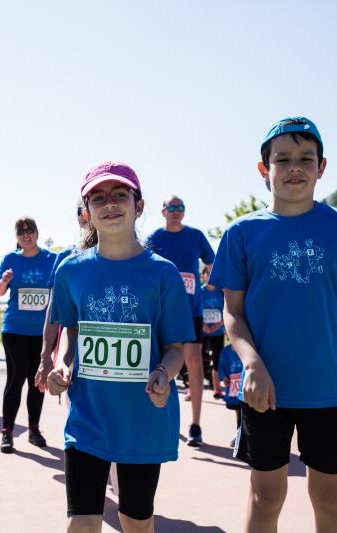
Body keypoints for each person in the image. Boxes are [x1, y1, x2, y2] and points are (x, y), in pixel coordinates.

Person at [210, 116, 337, 533]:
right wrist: (252, 364)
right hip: (264, 391)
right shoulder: (242, 232)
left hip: (328, 390)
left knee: (330, 498)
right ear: (263, 169)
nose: (295, 168)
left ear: (322, 167)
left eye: (306, 158)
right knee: (266, 497)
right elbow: (232, 312)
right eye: (282, 159)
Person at [47, 161, 194, 532]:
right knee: (81, 522)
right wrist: (62, 363)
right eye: (98, 197)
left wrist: (164, 373)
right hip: (88, 416)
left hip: (142, 419)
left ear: (138, 206)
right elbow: (71, 329)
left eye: (119, 195)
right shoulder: (71, 270)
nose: (109, 203)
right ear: (87, 212)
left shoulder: (163, 273)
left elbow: (175, 348)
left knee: (136, 520)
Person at [145, 195, 215, 446]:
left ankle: (195, 425)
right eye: (171, 207)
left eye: (180, 208)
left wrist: (209, 285)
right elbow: (143, 267)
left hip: (191, 311)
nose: (176, 211)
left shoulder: (196, 236)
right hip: (162, 311)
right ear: (163, 211)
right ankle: (160, 416)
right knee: (161, 363)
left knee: (194, 362)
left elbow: (212, 262)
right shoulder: (154, 238)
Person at [0, 217, 57, 453]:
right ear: (16, 237)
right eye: (21, 232)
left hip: (42, 333)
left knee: (37, 382)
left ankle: (33, 429)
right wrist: (4, 280)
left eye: (29, 230)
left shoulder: (51, 259)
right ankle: (7, 432)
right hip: (14, 331)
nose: (26, 235)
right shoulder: (11, 260)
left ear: (37, 233)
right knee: (15, 379)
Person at [36, 202, 90, 391]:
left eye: (89, 209)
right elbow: (52, 310)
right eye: (81, 211)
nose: (86, 215)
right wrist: (45, 357)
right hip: (71, 351)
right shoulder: (66, 258)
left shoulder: (125, 257)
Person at [199, 265, 225, 398]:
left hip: (218, 332)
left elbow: (227, 312)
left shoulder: (221, 292)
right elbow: (195, 310)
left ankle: (217, 388)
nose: (209, 277)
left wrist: (216, 326)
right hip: (202, 331)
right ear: (203, 276)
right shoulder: (200, 292)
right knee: (197, 359)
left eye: (211, 274)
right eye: (207, 274)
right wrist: (204, 326)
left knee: (217, 360)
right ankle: (194, 389)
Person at [217, 340, 243, 447]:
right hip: (233, 389)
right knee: (238, 411)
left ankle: (245, 436)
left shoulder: (245, 348)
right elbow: (221, 366)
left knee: (247, 412)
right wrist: (224, 377)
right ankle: (239, 435)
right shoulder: (226, 350)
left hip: (246, 387)